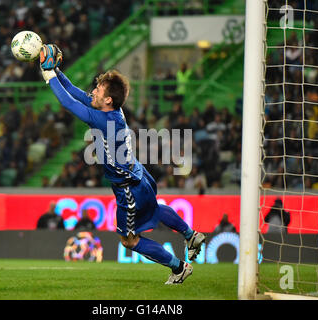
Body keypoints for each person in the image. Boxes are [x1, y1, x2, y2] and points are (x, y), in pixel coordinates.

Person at [39, 44, 205, 284]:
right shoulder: (112, 111)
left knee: (130, 240)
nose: (92, 91)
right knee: (155, 209)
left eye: (97, 89)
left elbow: (69, 103)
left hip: (128, 189)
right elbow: (76, 93)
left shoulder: (102, 119)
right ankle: (191, 235)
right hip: (140, 176)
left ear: (107, 98)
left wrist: (48, 75)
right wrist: (56, 69)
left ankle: (179, 268)